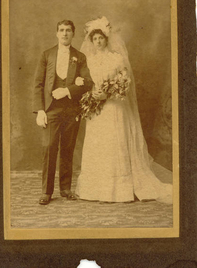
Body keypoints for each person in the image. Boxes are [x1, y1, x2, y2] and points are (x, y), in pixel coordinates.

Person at [75, 16, 172, 204]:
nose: (98, 42)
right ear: (91, 42)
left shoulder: (117, 59)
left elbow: (125, 84)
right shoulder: (88, 61)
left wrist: (108, 94)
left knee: (114, 142)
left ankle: (120, 190)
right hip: (97, 109)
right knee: (98, 144)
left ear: (107, 39)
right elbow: (85, 82)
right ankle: (95, 190)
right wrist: (93, 92)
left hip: (114, 108)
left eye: (101, 38)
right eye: (94, 39)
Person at [33, 20, 93, 205]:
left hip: (71, 109)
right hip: (51, 110)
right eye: (61, 30)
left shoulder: (80, 56)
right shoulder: (47, 55)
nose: (65, 33)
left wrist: (68, 91)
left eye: (68, 30)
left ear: (73, 34)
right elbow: (38, 84)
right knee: (50, 147)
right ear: (56, 33)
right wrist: (40, 110)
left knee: (68, 149)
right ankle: (46, 191)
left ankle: (65, 188)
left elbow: (88, 83)